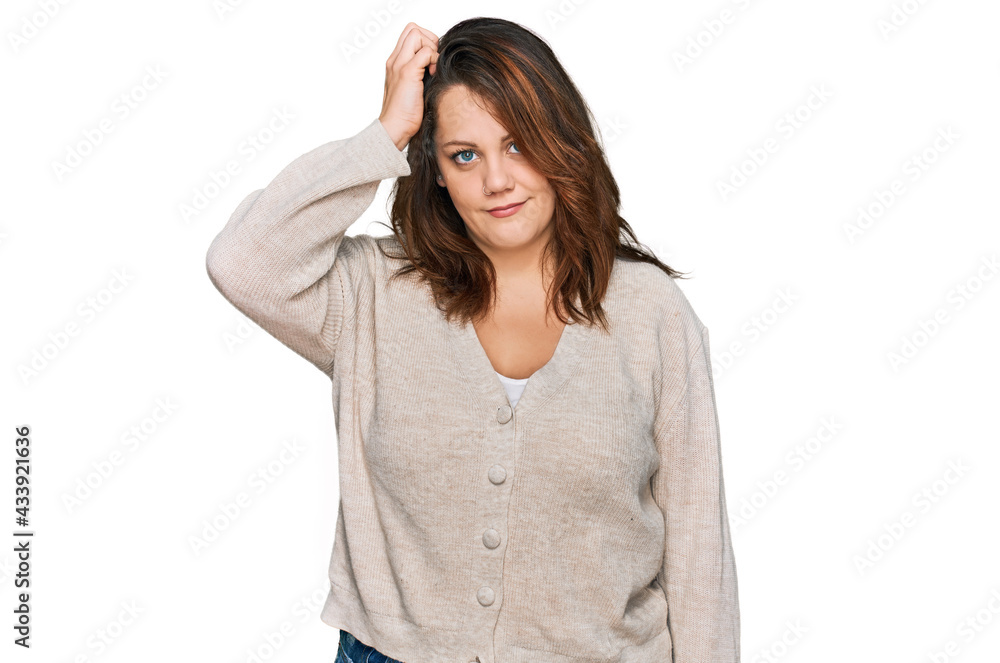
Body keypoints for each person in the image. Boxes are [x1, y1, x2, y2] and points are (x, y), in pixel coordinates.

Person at [206, 16, 740, 663]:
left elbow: (698, 552)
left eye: (519, 145)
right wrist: (385, 133)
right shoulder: (371, 294)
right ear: (433, 168)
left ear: (560, 142)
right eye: (465, 154)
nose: (497, 180)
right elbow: (243, 263)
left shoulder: (652, 312)